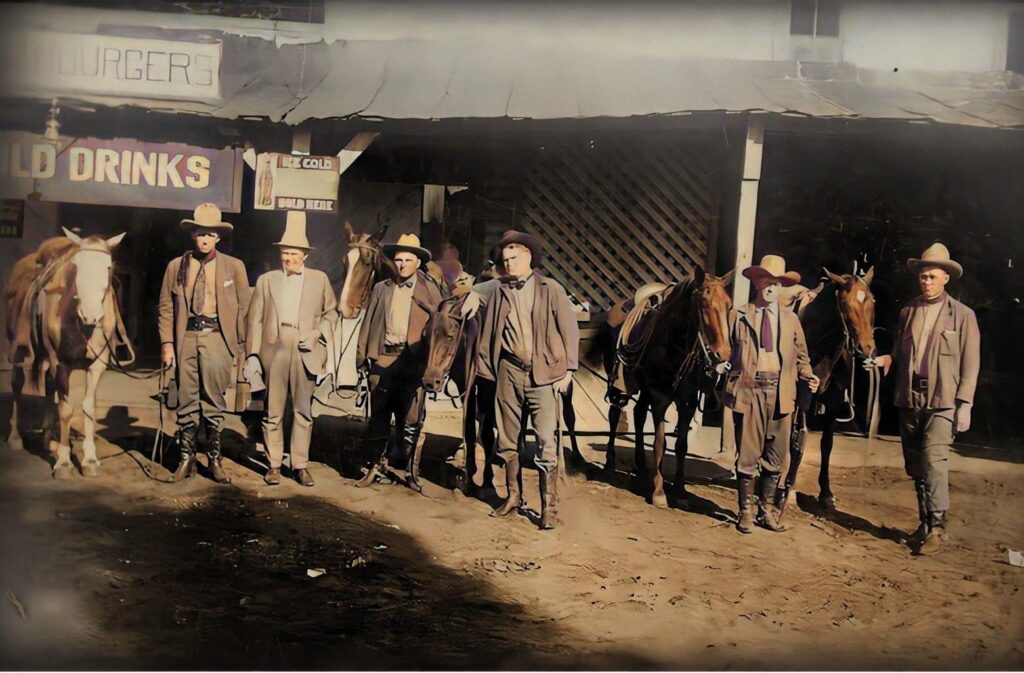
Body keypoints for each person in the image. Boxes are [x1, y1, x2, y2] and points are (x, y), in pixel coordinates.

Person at [462, 230, 579, 530]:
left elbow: (569, 329)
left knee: (545, 439)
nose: (510, 264)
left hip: (544, 374)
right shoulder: (498, 289)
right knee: (507, 436)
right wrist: (474, 293)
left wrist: (568, 370)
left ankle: (548, 507)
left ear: (528, 257)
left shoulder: (550, 288)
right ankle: (514, 496)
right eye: (505, 260)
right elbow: (481, 287)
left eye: (515, 258)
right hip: (509, 372)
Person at [870, 243, 980, 555]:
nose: (926, 282)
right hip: (910, 397)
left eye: (932, 277)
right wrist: (886, 361)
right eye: (923, 277)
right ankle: (924, 523)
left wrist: (965, 405)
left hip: (943, 400)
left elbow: (971, 364)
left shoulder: (963, 316)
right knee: (915, 463)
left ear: (946, 278)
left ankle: (938, 527)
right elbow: (898, 351)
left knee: (934, 460)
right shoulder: (908, 311)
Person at [724, 254, 819, 533]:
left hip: (781, 392)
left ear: (782, 287)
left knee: (776, 456)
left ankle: (766, 510)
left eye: (776, 283)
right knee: (748, 454)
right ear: (756, 282)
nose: (771, 287)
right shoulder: (738, 316)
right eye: (766, 280)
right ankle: (745, 512)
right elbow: (725, 350)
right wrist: (722, 365)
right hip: (749, 391)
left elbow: (802, 357)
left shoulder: (790, 320)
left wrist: (808, 375)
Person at [158, 203, 251, 483]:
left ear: (218, 238)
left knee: (213, 399)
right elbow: (165, 306)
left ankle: (214, 459)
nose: (205, 239)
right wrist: (166, 344)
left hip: (217, 339)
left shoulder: (234, 267)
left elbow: (245, 309)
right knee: (186, 398)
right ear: (193, 236)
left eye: (211, 234)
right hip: (186, 338)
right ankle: (186, 459)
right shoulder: (177, 266)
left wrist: (240, 348)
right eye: (201, 234)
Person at [244, 212, 337, 487]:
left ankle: (299, 465)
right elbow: (255, 319)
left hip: (305, 347)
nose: (288, 259)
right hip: (275, 347)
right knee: (272, 410)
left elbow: (332, 313)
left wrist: (316, 332)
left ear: (305, 256)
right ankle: (273, 464)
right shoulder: (266, 280)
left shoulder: (319, 280)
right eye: (285, 253)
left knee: (302, 411)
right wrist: (252, 354)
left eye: (294, 254)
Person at [355, 233, 444, 492]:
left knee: (412, 419)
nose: (402, 265)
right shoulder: (382, 288)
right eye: (398, 260)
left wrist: (435, 366)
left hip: (413, 362)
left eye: (408, 260)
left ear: (418, 262)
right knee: (379, 416)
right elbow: (367, 324)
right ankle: (374, 467)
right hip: (383, 358)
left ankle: (410, 473)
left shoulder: (430, 292)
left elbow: (441, 332)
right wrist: (362, 359)